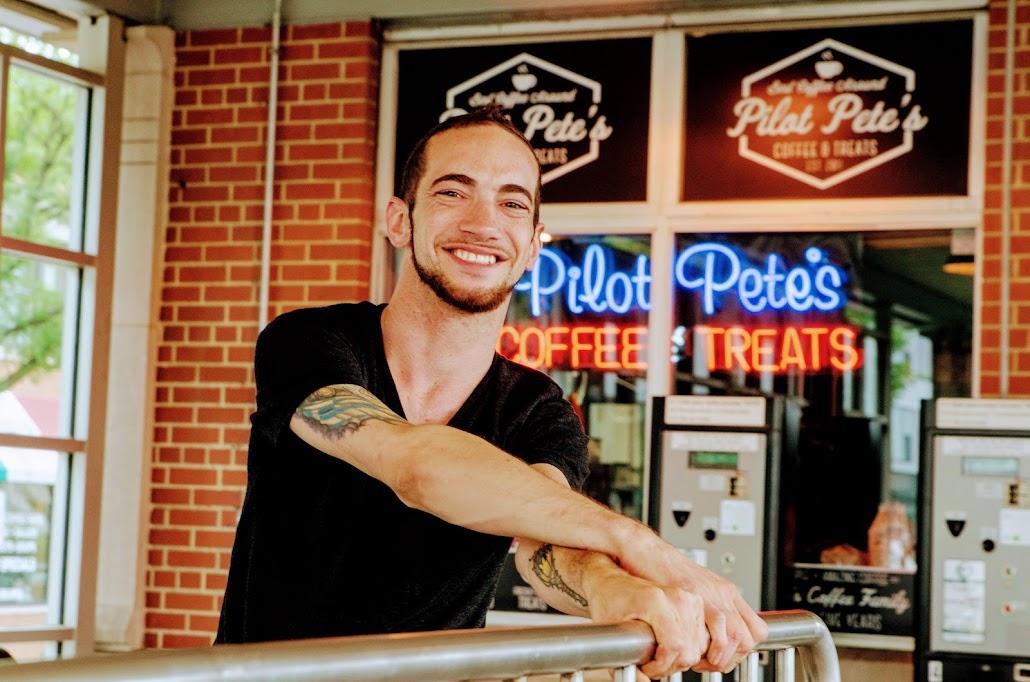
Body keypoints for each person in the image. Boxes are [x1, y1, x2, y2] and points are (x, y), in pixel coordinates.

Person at [215, 107, 766, 679]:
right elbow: (415, 467)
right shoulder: (310, 342)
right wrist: (644, 546)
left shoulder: (537, 407)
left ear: (531, 246)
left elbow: (547, 541)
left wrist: (613, 587)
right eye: (454, 192)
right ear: (400, 221)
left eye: (512, 202)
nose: (483, 223)